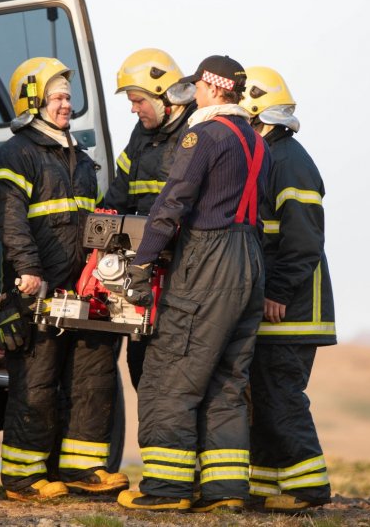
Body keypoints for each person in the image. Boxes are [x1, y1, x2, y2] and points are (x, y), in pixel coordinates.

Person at [116, 55, 270, 513]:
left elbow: (173, 201)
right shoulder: (254, 140)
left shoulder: (202, 134)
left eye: (198, 87)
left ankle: (166, 489)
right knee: (226, 380)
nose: (194, 95)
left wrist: (141, 266)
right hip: (249, 260)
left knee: (170, 374)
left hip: (207, 260)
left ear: (212, 87)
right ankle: (225, 492)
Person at [0, 57, 128, 501]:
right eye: (58, 97)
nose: (67, 104)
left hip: (82, 289)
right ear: (32, 101)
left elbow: (98, 220)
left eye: (68, 96)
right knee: (38, 381)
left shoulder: (81, 159)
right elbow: (8, 219)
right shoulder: (15, 154)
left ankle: (82, 469)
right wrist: (28, 269)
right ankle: (23, 478)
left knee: (92, 376)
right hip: (37, 288)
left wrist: (106, 271)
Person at [240, 66, 336, 513]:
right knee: (264, 393)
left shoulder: (288, 162)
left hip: (292, 308)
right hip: (278, 305)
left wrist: (276, 291)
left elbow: (303, 241)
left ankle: (309, 487)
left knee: (280, 393)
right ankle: (267, 485)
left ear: (259, 115)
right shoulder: (272, 157)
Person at [99, 47, 197, 390]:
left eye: (138, 99)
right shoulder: (140, 135)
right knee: (139, 366)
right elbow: (118, 194)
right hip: (141, 275)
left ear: (165, 96)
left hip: (183, 277)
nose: (133, 108)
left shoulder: (198, 133)